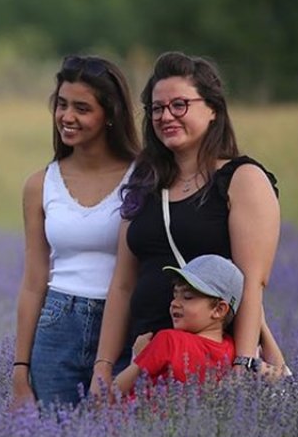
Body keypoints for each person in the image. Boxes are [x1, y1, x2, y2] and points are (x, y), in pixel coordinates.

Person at [91, 52, 286, 398]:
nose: (166, 116)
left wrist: (240, 367)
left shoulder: (243, 179)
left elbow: (252, 283)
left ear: (213, 109)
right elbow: (122, 284)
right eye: (157, 108)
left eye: (179, 105)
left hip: (211, 363)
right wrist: (104, 367)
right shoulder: (144, 183)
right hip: (146, 358)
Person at [11, 55, 140, 410]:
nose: (67, 117)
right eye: (62, 105)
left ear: (110, 113)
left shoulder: (143, 178)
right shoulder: (40, 184)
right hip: (57, 326)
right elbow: (34, 282)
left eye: (82, 108)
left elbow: (132, 276)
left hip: (125, 327)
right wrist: (20, 370)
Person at [111, 254, 240, 396]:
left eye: (187, 297)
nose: (174, 303)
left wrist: (140, 356)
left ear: (219, 309)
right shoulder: (233, 349)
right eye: (175, 295)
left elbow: (116, 389)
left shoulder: (168, 341)